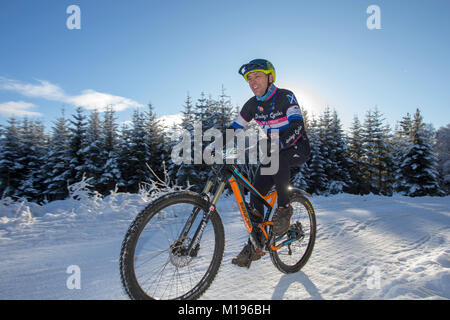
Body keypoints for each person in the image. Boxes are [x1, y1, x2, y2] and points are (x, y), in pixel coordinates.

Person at [230, 59, 311, 268]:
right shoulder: (252, 105)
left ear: (270, 77)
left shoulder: (285, 96)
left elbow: (297, 124)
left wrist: (281, 143)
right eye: (249, 78)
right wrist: (211, 147)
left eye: (257, 76)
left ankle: (284, 209)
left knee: (278, 156)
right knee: (256, 193)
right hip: (273, 151)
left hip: (296, 146)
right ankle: (256, 245)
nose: (252, 81)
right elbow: (233, 129)